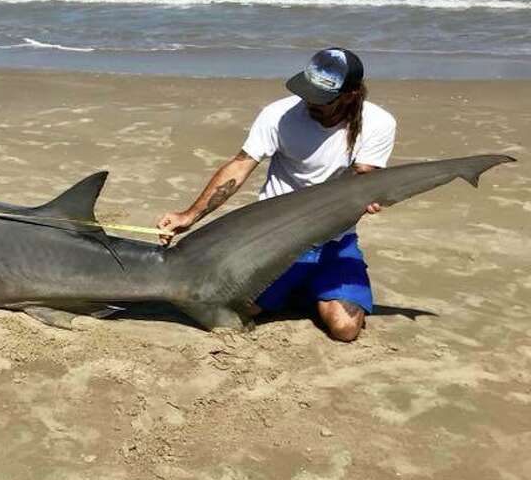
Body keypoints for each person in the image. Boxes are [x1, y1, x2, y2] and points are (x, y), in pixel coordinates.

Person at [156, 48, 395, 342]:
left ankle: (307, 285)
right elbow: (240, 166)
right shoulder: (278, 114)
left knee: (344, 330)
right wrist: (189, 216)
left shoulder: (379, 123)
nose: (309, 102)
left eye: (320, 99)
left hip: (335, 241)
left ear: (350, 94)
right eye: (307, 92)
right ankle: (298, 287)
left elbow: (361, 179)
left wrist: (367, 196)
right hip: (272, 241)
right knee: (225, 309)